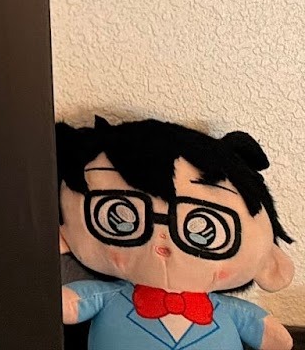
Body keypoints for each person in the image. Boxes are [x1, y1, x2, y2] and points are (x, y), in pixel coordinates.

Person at [58, 116, 295, 349]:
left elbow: (275, 338)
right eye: (121, 217)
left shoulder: (233, 312)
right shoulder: (106, 297)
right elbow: (67, 304)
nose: (163, 238)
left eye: (203, 229)